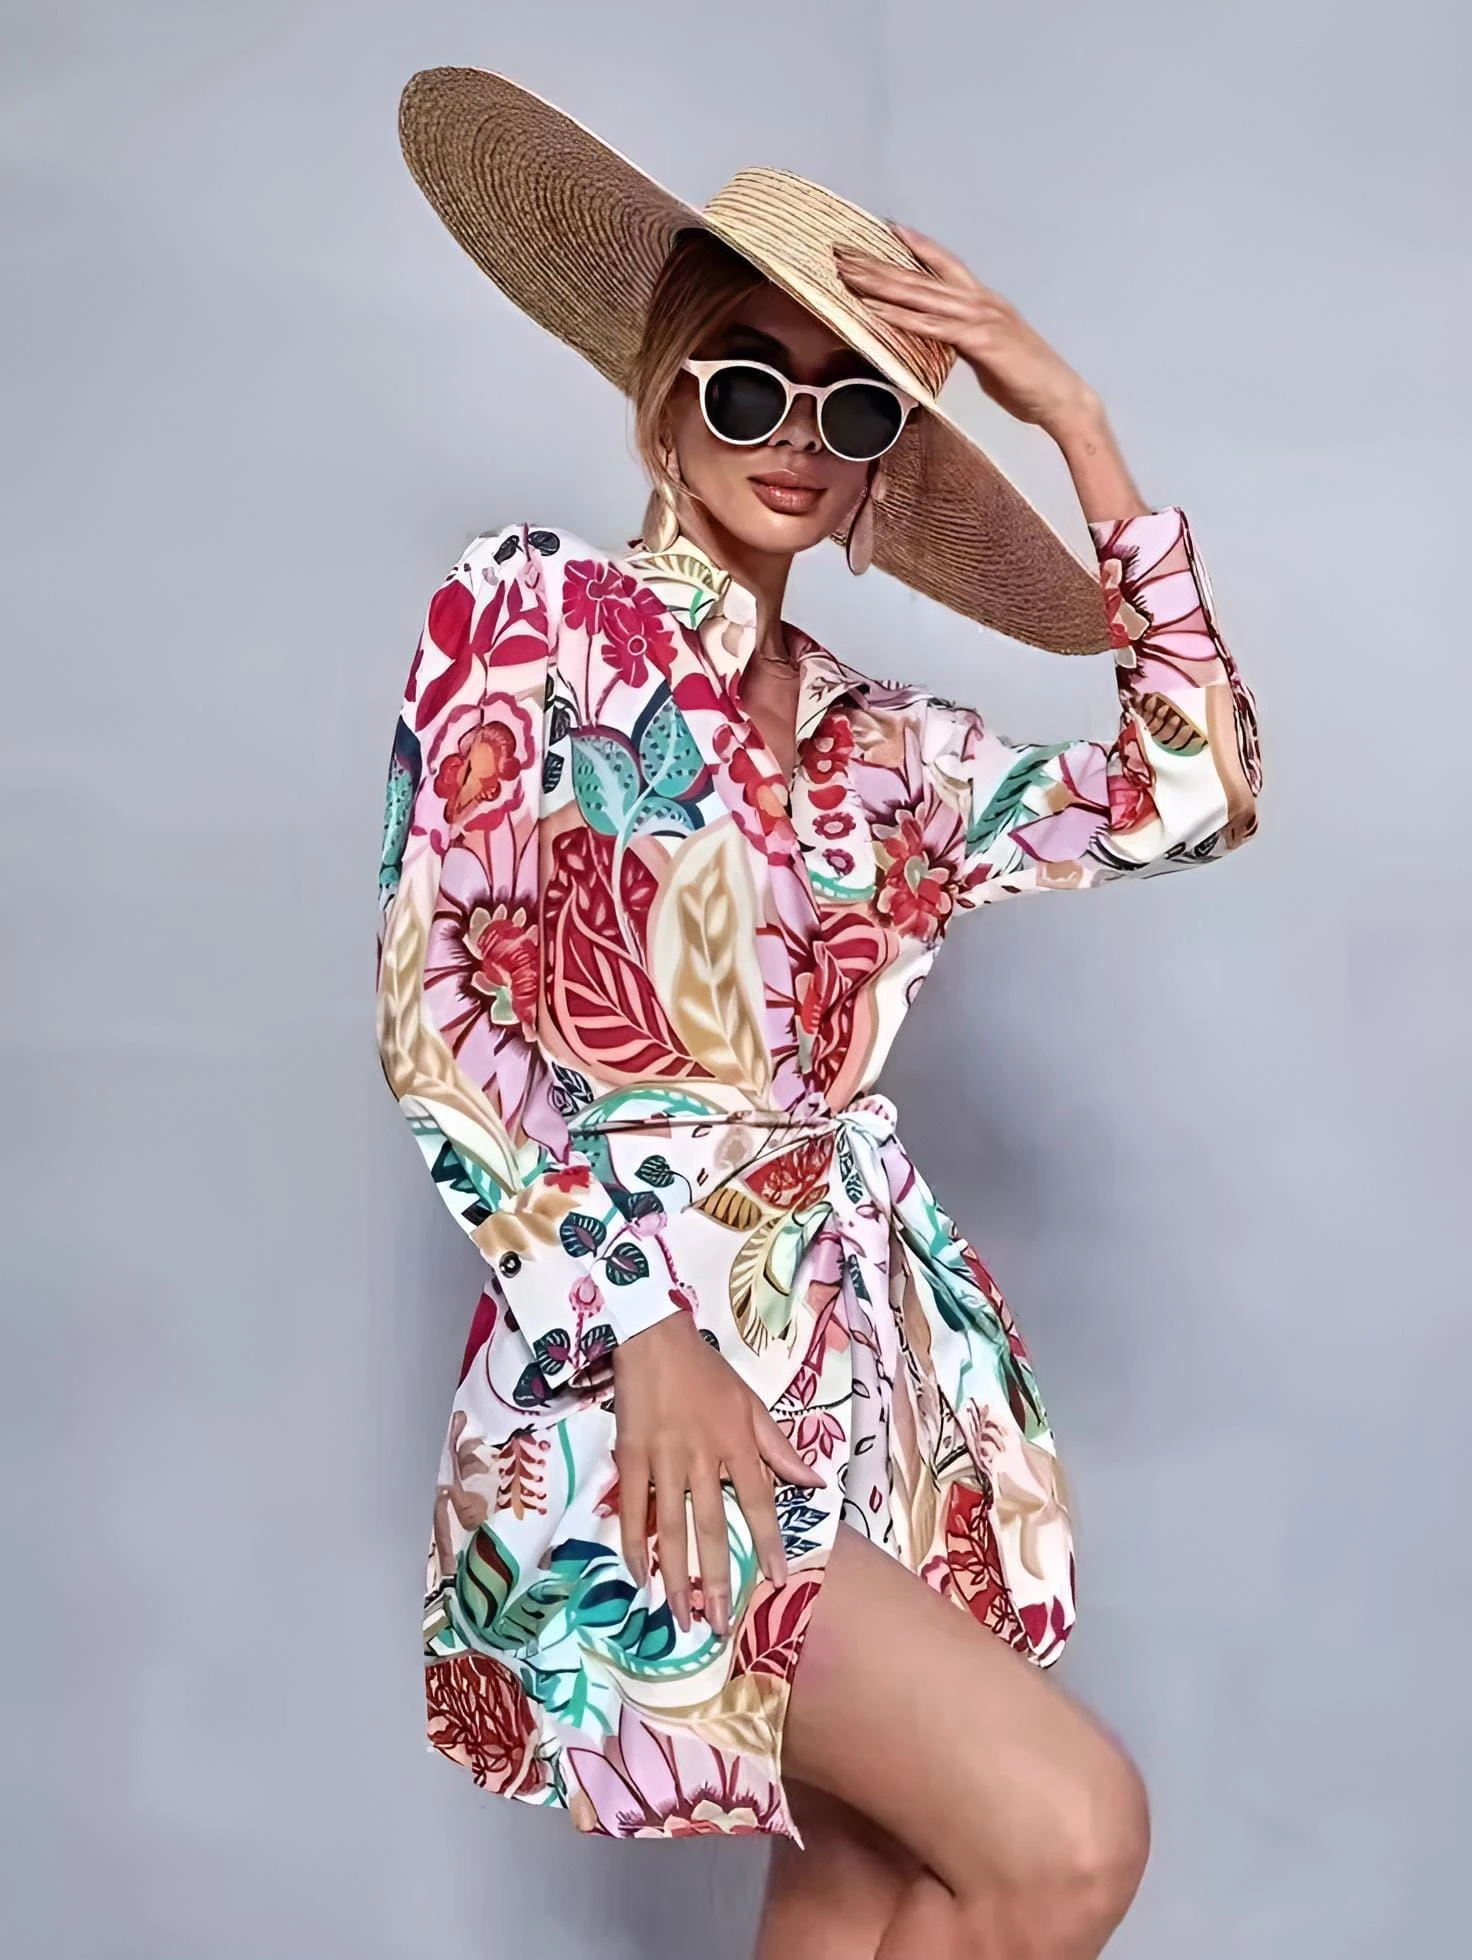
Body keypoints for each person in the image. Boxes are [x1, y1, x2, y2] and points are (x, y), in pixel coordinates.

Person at [377, 67, 1262, 1960]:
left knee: (871, 1890)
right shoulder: (534, 621)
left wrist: (1076, 424)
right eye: (747, 385)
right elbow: (441, 1009)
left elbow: (1191, 795)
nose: (794, 435)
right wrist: (641, 1331)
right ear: (665, 392)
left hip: (862, 1388)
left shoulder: (888, 747)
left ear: (878, 473)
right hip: (630, 1370)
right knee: (1062, 1836)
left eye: (851, 406)